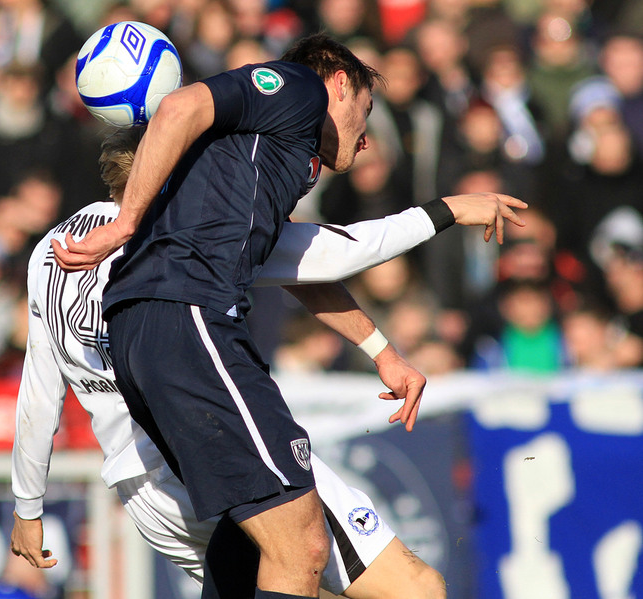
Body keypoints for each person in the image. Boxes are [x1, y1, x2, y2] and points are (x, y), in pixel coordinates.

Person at [50, 34, 525, 599]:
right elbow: (179, 107)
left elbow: (305, 259)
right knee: (301, 546)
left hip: (152, 334)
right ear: (340, 83)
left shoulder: (252, 167)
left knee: (250, 552)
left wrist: (382, 352)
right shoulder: (297, 89)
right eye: (366, 113)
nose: (366, 137)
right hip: (190, 318)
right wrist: (125, 223)